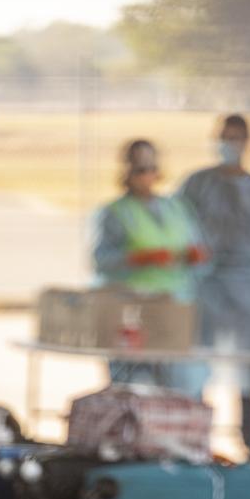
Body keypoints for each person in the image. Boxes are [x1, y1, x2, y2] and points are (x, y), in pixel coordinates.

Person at [179, 114, 250, 461]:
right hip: (204, 286)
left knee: (247, 369)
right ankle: (192, 441)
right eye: (225, 137)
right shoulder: (197, 184)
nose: (230, 144)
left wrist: (244, 269)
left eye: (237, 138)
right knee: (196, 366)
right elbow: (181, 228)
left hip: (245, 287)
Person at [92, 138, 207, 386]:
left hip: (174, 312)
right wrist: (137, 259)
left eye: (151, 168)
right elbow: (100, 261)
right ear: (126, 171)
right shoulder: (116, 213)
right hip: (133, 315)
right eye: (139, 169)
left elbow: (198, 252)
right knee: (135, 386)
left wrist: (194, 257)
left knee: (179, 386)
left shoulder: (176, 208)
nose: (146, 176)